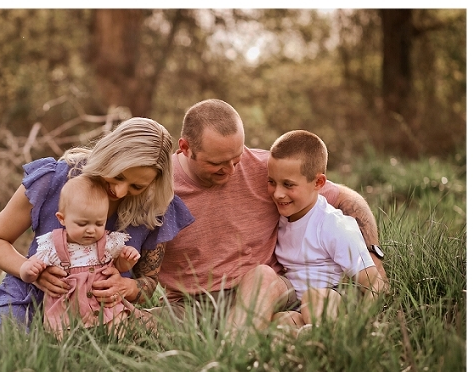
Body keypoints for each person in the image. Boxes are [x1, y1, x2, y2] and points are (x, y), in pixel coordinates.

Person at [157, 99, 387, 333]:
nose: (232, 170)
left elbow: (348, 199)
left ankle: (234, 352)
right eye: (217, 163)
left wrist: (371, 256)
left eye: (236, 158)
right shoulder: (157, 187)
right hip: (191, 305)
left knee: (264, 278)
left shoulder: (268, 170)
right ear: (185, 148)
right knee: (128, 323)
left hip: (263, 292)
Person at [0, 117, 194, 342]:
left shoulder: (153, 208)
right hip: (30, 295)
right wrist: (31, 272)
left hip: (105, 312)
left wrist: (127, 286)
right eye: (117, 175)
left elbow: (148, 284)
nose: (119, 191)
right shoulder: (53, 179)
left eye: (137, 186)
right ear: (108, 154)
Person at [266, 130, 383, 328]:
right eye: (271, 182)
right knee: (279, 323)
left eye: (288, 185)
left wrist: (364, 323)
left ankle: (334, 338)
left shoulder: (333, 224)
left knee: (314, 299)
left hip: (333, 298)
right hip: (298, 304)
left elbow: (375, 285)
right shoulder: (284, 217)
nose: (277, 193)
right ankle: (309, 341)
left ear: (319, 183)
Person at [20, 174, 148, 338]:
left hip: (104, 304)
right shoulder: (53, 245)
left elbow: (119, 267)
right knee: (60, 334)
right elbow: (30, 270)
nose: (91, 230)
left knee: (118, 325)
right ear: (62, 219)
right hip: (66, 306)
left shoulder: (108, 242)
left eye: (99, 223)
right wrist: (29, 270)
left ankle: (118, 347)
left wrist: (126, 260)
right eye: (82, 223)